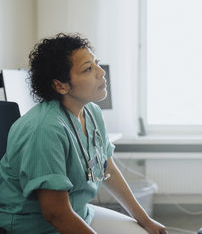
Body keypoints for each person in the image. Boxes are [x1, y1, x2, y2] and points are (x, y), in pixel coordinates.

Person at [0, 33, 167, 234]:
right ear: (60, 85)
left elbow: (109, 170)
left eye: (96, 63)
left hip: (80, 212)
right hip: (36, 226)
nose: (100, 72)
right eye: (88, 69)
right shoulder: (44, 130)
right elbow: (56, 215)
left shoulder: (91, 112)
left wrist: (145, 220)